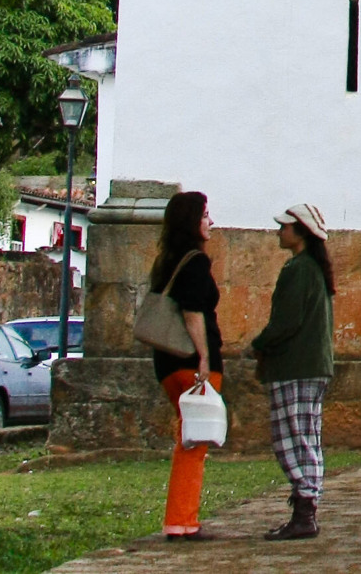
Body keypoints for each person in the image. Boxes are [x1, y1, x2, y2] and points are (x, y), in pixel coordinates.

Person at [250, 203, 336, 542]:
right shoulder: (312, 268)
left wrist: (260, 342)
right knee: (307, 436)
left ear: (300, 233)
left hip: (296, 366)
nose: (279, 232)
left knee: (292, 438)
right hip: (312, 366)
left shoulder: (299, 269)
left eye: (285, 227)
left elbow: (286, 322)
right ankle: (306, 506)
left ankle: (304, 509)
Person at [146, 190, 223, 542]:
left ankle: (181, 518)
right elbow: (193, 313)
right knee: (194, 443)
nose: (210, 221)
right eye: (205, 215)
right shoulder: (195, 262)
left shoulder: (166, 261)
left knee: (186, 438)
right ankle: (181, 520)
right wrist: (204, 358)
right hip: (192, 362)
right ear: (193, 220)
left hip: (166, 364)